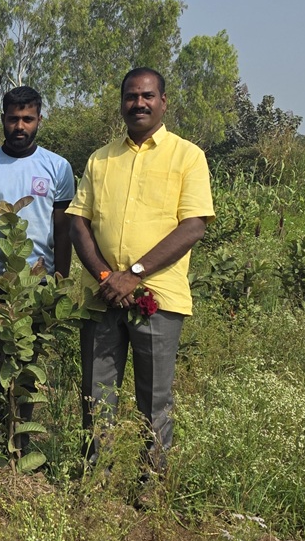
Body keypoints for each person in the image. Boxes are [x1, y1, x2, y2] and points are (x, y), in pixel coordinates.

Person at [68, 66, 214, 473]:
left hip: (158, 296)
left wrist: (133, 274)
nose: (139, 103)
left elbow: (193, 226)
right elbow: (78, 222)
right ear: (121, 104)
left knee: (155, 398)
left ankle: (152, 483)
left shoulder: (187, 156)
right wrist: (105, 276)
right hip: (102, 297)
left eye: (147, 96)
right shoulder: (101, 159)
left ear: (163, 102)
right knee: (96, 394)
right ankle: (97, 479)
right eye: (131, 96)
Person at [0, 85, 75, 440]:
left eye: (28, 119)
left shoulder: (58, 167)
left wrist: (59, 282)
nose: (20, 126)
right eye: (13, 119)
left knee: (25, 363)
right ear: (2, 119)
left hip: (34, 282)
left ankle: (19, 442)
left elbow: (63, 230)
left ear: (39, 120)